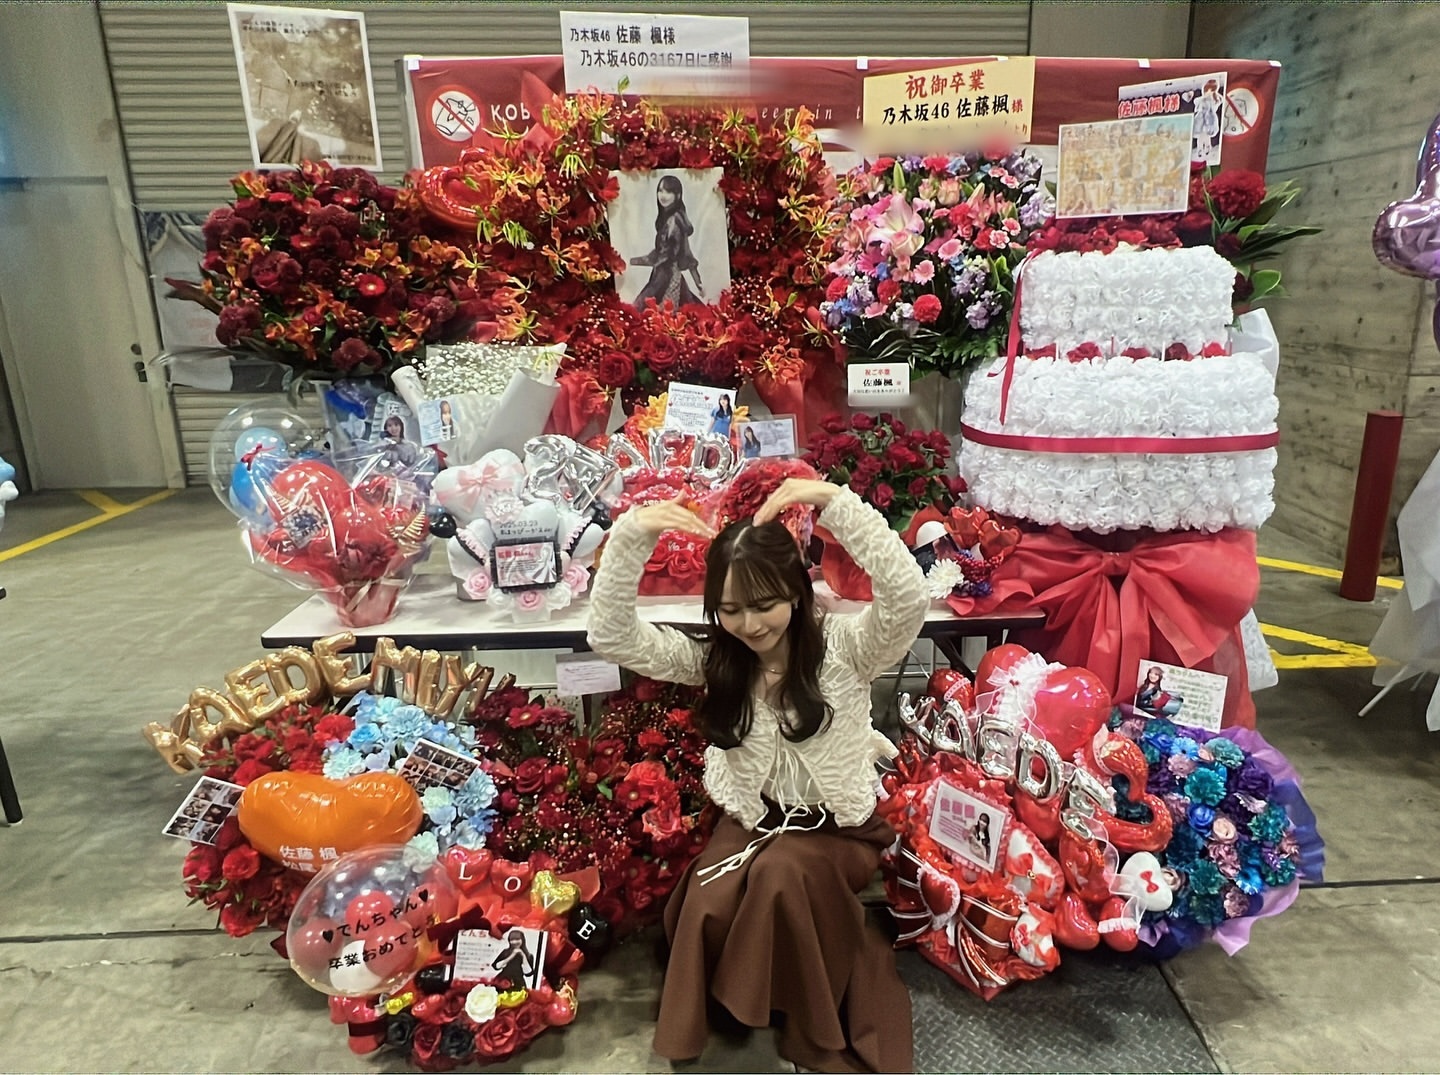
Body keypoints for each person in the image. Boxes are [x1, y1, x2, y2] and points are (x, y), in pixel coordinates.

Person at [587, 477, 927, 1073]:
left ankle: (805, 1019)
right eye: (731, 609)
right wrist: (631, 539)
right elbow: (610, 636)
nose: (750, 623)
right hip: (754, 825)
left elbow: (907, 597)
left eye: (765, 603)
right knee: (708, 901)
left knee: (779, 875)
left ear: (795, 591)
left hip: (838, 832)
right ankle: (746, 999)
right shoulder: (717, 661)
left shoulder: (848, 649)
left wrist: (834, 504)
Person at [630, 174, 706, 308]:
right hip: (663, 275)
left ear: (678, 195)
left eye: (668, 191)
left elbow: (680, 253)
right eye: (660, 190)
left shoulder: (675, 220)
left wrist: (698, 282)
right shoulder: (668, 219)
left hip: (667, 277)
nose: (663, 195)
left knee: (650, 311)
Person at [1191, 79, 1223, 163]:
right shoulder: (1201, 99)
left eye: (1211, 89)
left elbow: (1219, 102)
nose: (1209, 91)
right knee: (1200, 136)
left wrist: (1214, 95)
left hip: (1209, 120)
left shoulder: (1215, 100)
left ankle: (1208, 149)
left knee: (1207, 136)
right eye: (1207, 89)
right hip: (1200, 120)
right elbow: (1196, 103)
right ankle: (1200, 150)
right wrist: (1205, 96)